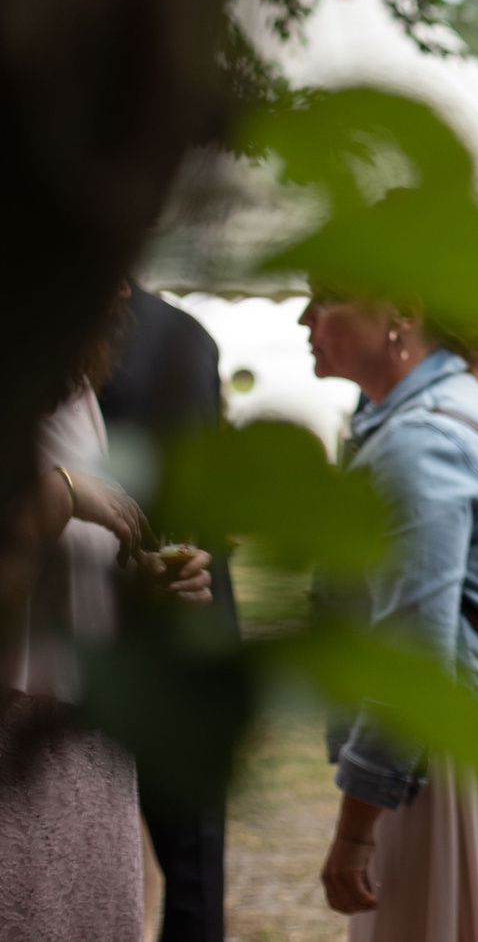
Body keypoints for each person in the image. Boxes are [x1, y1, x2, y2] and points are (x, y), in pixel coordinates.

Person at [0, 294, 212, 942]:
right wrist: (64, 492)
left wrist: (140, 583)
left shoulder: (77, 396)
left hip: (89, 745)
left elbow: (66, 575)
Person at [307, 286, 478, 942]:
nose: (304, 317)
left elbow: (412, 656)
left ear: (402, 311)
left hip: (435, 768)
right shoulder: (449, 406)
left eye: (325, 298)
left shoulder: (422, 438)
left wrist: (354, 828)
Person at [98, 288, 237, 942]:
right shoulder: (186, 332)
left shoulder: (47, 328)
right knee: (191, 856)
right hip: (187, 614)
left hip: (128, 617)